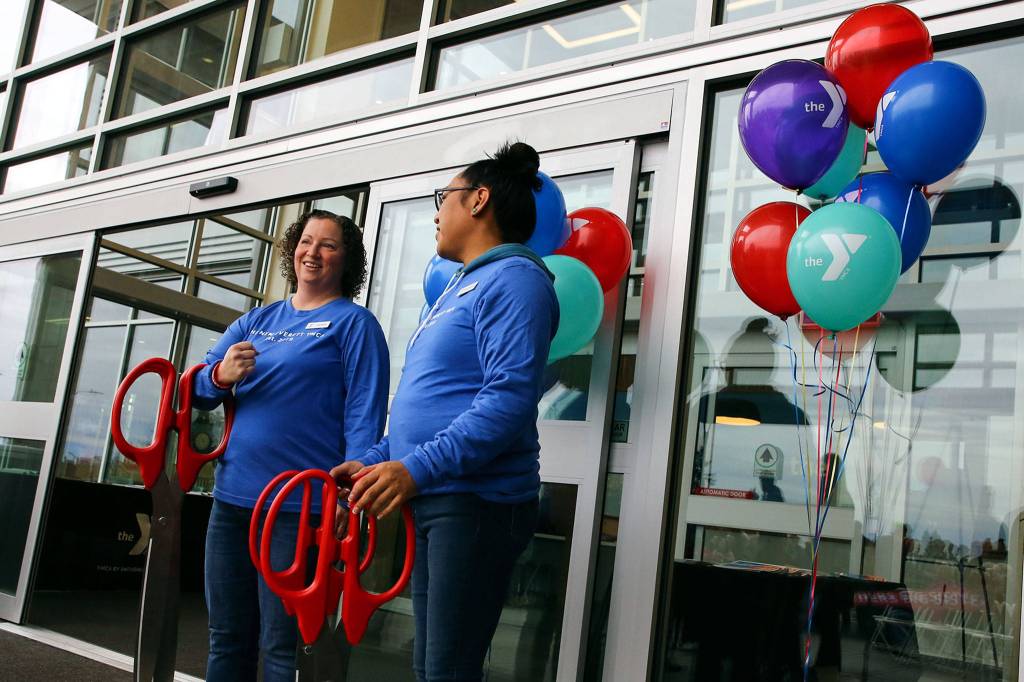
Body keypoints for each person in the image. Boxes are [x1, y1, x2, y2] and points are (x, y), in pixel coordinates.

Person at [332, 141, 559, 682]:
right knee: (431, 669)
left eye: (446, 197)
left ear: (479, 200)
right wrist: (380, 458)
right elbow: (437, 400)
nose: (438, 212)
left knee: (446, 672)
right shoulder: (464, 286)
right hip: (442, 496)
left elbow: (506, 402)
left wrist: (415, 468)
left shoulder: (516, 281)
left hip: (475, 503)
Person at [192, 209, 389, 681]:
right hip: (232, 500)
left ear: (347, 260)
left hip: (297, 508)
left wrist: (349, 494)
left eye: (328, 244)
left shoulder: (354, 324)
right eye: (306, 241)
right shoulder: (257, 320)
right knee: (226, 637)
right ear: (292, 250)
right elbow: (196, 388)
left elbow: (364, 415)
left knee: (281, 645)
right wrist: (220, 375)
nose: (313, 252)